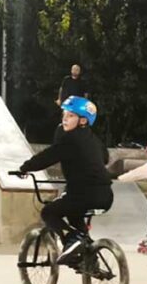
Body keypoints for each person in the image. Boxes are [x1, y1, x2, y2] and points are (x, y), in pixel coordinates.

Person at [16, 96, 113, 264]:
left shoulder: (70, 140)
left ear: (83, 120)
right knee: (74, 215)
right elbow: (104, 158)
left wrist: (25, 167)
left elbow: (48, 156)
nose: (65, 119)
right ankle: (89, 258)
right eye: (64, 115)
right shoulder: (94, 140)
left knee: (49, 212)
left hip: (83, 194)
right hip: (106, 196)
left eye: (70, 116)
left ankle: (71, 239)